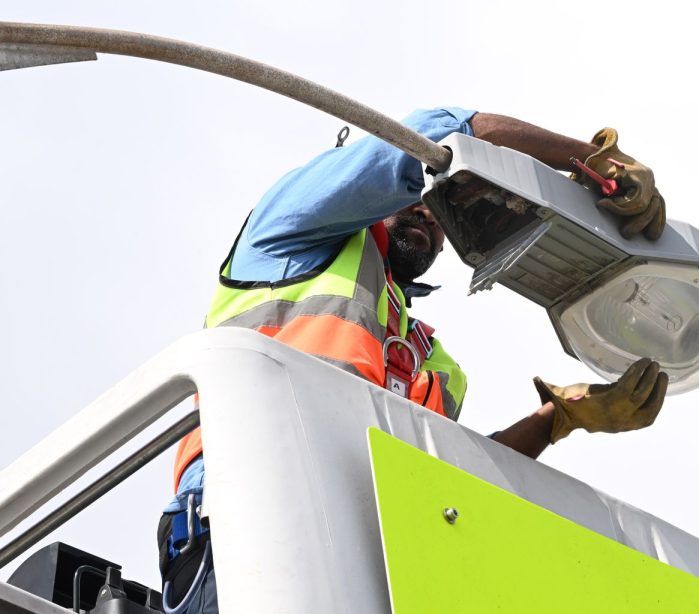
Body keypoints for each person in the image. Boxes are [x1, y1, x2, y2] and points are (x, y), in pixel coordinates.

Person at [157, 107, 669, 613]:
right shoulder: (289, 234)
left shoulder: (437, 367)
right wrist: (590, 160)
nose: (427, 209)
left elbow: (450, 486)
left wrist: (559, 418)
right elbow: (438, 131)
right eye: (419, 196)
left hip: (372, 549)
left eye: (439, 208)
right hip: (254, 502)